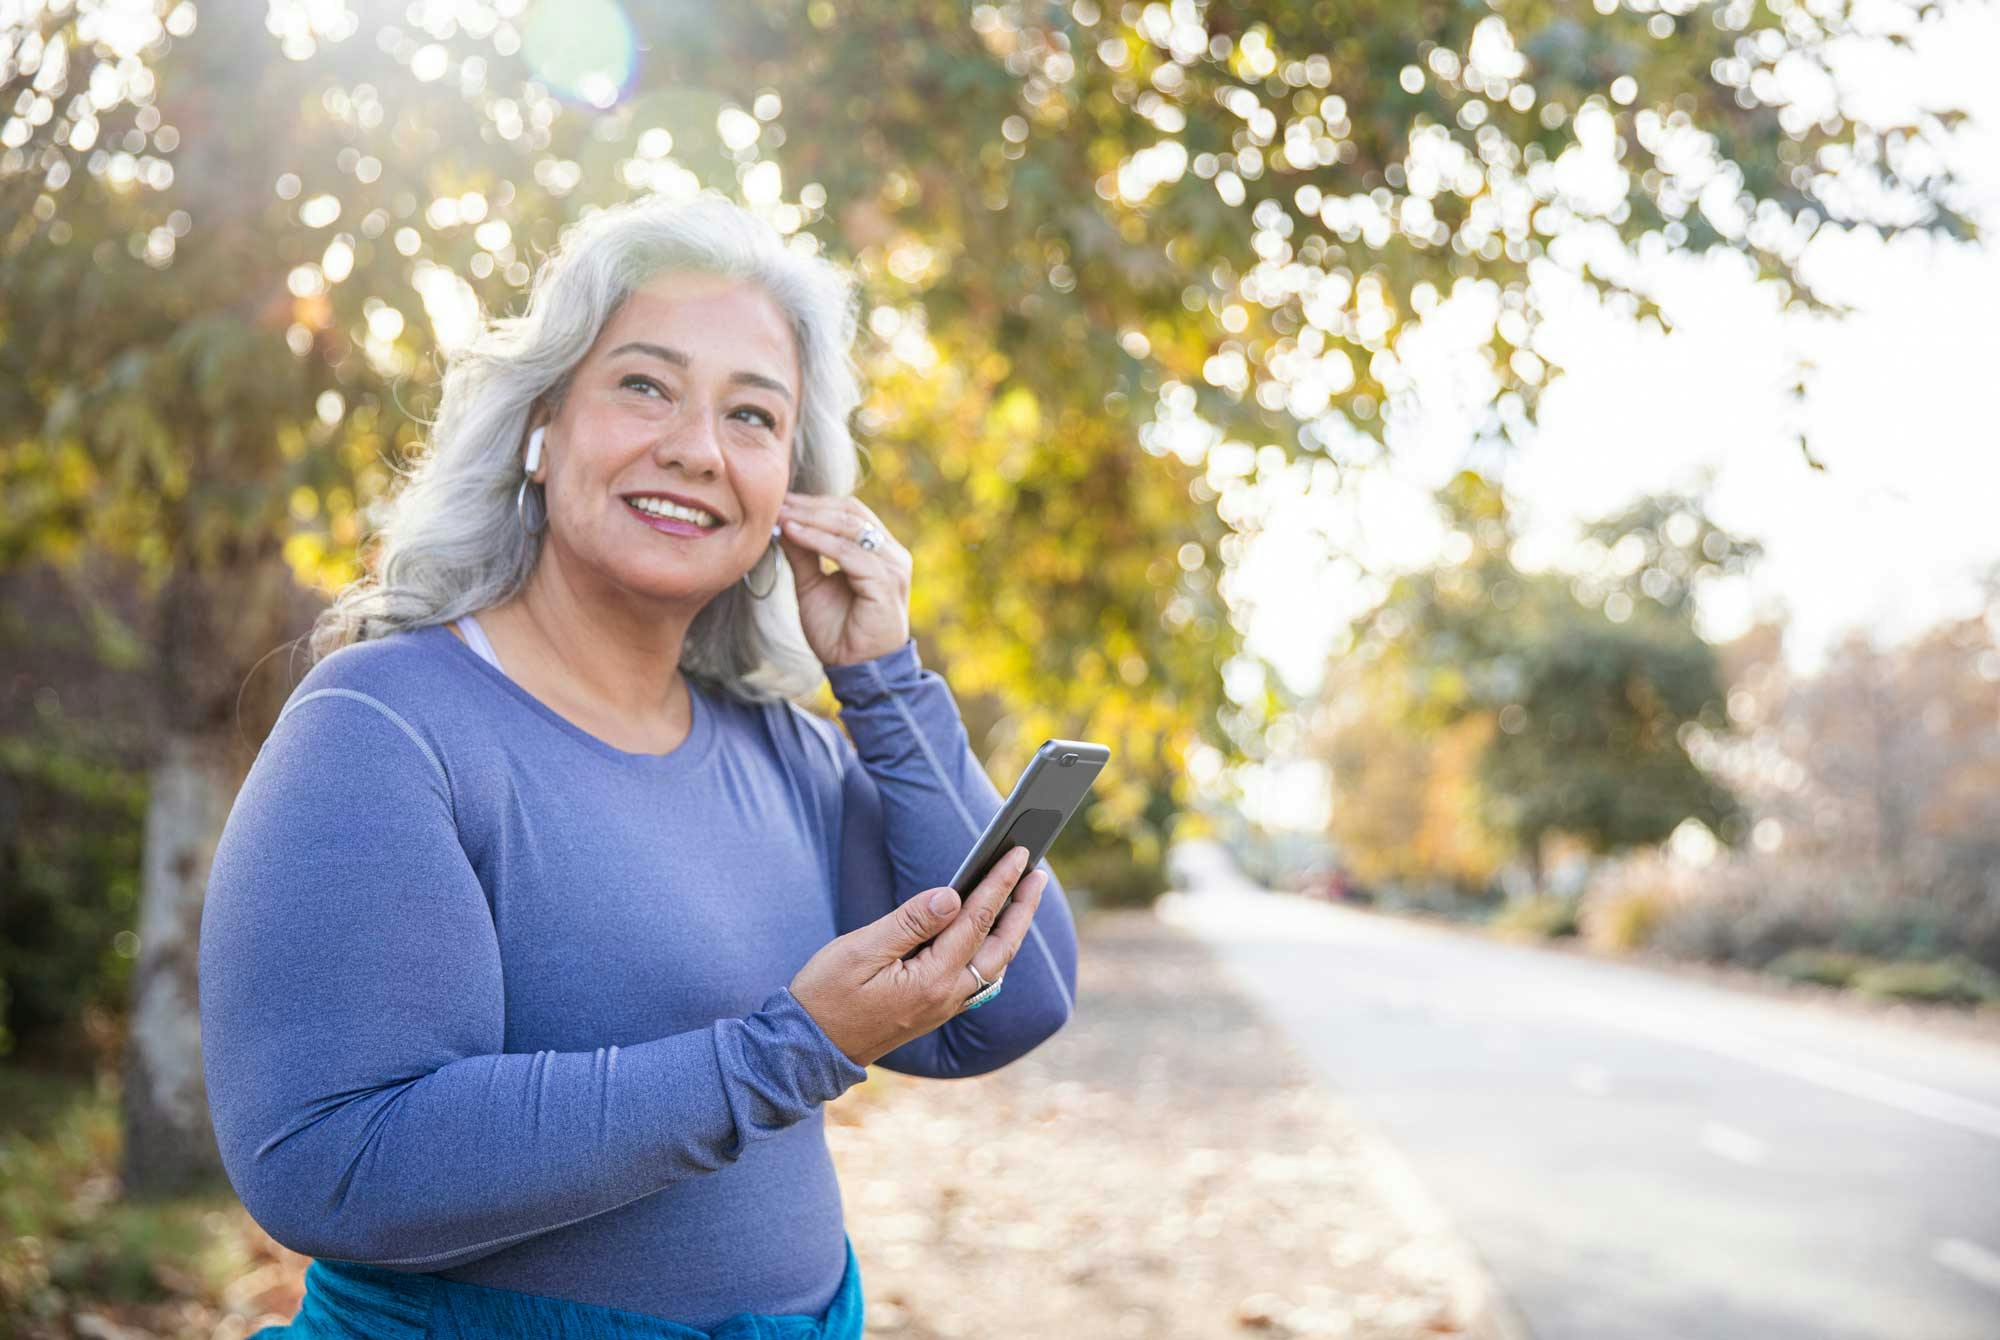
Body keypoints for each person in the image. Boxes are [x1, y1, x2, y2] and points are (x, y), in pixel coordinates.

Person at [198, 190, 1080, 1340]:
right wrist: (788, 1051)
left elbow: (1007, 1006)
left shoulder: (786, 751)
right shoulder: (384, 723)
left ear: (792, 494)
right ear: (542, 425)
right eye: (645, 386)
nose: (697, 449)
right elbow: (334, 1162)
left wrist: (884, 676)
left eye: (751, 415)